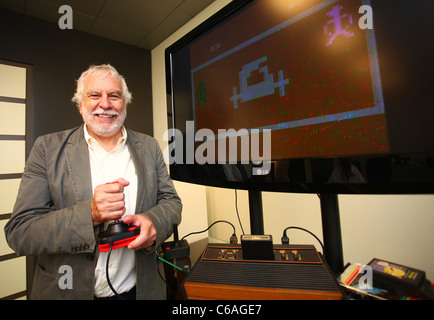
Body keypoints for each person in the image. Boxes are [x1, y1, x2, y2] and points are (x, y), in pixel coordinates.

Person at [4, 64, 182, 300]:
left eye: (114, 96)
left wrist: (153, 222)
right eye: (95, 95)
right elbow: (21, 232)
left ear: (124, 104)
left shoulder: (149, 147)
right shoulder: (47, 149)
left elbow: (171, 202)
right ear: (80, 105)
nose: (105, 104)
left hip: (138, 292)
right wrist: (89, 214)